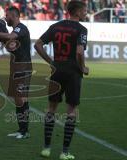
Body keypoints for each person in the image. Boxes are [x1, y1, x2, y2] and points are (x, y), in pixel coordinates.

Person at [34, 1, 89, 159]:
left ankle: (46, 148)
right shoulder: (81, 29)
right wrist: (83, 67)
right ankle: (65, 152)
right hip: (73, 72)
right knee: (71, 110)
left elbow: (38, 45)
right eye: (84, 10)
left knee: (51, 108)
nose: (85, 13)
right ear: (77, 12)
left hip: (56, 70)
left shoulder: (55, 26)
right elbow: (79, 52)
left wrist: (51, 62)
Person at [0, 6, 32, 139]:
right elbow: (11, 44)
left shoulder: (21, 28)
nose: (6, 17)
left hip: (23, 67)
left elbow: (10, 36)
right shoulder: (15, 32)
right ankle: (21, 129)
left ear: (14, 16)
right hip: (16, 67)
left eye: (7, 15)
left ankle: (24, 131)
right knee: (18, 99)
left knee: (21, 98)